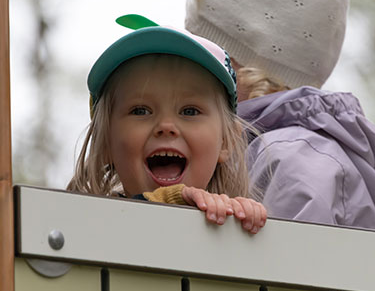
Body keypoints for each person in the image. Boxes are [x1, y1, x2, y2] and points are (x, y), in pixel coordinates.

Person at [185, 0, 375, 231]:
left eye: (209, 57)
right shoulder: (262, 147)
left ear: (252, 71)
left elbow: (288, 267)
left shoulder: (291, 157)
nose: (188, 73)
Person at [67, 14, 266, 234]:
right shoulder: (88, 230)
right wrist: (172, 199)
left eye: (190, 111)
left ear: (226, 142)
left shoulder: (230, 224)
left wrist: (242, 229)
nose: (166, 125)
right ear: (105, 142)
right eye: (140, 111)